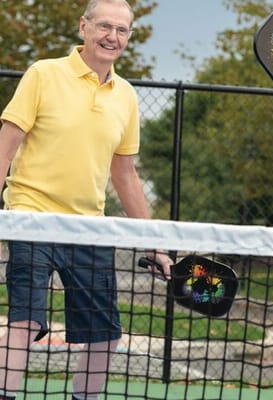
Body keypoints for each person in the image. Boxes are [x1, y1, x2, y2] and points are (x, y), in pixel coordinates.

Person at [0, 1, 173, 399]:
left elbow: (125, 174)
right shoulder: (43, 74)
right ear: (84, 27)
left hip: (88, 227)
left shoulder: (126, 96)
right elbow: (6, 147)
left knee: (105, 335)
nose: (113, 37)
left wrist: (155, 243)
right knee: (25, 322)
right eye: (104, 26)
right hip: (31, 217)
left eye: (122, 30)